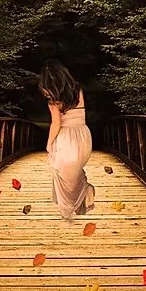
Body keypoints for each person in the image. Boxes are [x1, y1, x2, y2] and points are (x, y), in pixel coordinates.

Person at [39, 59, 95, 222]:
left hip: (67, 138)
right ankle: (83, 193)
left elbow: (56, 123)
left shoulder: (54, 101)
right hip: (83, 135)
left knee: (62, 172)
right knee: (73, 171)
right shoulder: (78, 90)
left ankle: (70, 206)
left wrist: (49, 143)